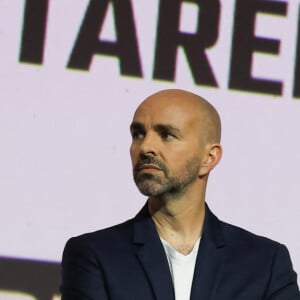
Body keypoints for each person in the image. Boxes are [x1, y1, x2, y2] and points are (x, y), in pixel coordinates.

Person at [61, 89, 300, 299]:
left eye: (166, 135)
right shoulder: (95, 255)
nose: (145, 147)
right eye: (138, 134)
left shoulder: (264, 262)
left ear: (209, 158)